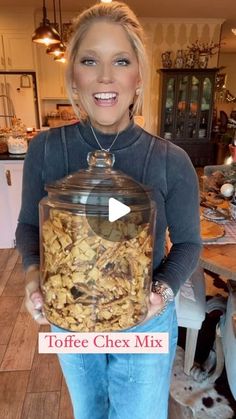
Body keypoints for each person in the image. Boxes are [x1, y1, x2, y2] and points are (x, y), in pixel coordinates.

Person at [16, 2, 202, 418]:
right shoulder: (46, 149)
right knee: (90, 411)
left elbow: (189, 243)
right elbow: (29, 225)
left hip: (143, 317)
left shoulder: (170, 160)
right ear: (74, 77)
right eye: (89, 60)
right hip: (72, 315)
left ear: (138, 78)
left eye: (121, 60)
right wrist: (33, 276)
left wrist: (158, 295)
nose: (105, 76)